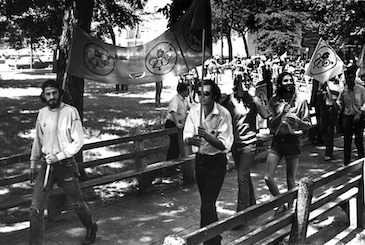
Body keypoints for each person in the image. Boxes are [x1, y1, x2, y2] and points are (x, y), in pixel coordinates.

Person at [29, 79, 97, 245]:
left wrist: (59, 156)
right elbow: (38, 140)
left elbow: (78, 141)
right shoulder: (42, 113)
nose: (52, 97)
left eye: (54, 93)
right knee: (35, 208)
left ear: (60, 93)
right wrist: (33, 161)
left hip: (65, 164)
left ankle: (90, 226)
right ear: (43, 96)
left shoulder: (70, 112)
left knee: (77, 204)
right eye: (48, 94)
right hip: (46, 165)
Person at [183, 79, 233, 245]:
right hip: (201, 160)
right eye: (199, 93)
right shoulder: (194, 112)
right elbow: (187, 135)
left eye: (206, 94)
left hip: (216, 162)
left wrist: (207, 136)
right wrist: (192, 140)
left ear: (214, 96)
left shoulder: (223, 114)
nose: (202, 97)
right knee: (207, 204)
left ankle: (210, 241)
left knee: (207, 204)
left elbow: (224, 144)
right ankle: (214, 236)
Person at [220, 74, 269, 228]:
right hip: (235, 144)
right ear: (236, 83)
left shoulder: (252, 100)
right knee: (245, 176)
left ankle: (241, 215)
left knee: (241, 177)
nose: (245, 85)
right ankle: (252, 204)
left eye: (248, 82)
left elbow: (266, 115)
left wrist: (255, 99)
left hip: (249, 144)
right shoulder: (228, 100)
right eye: (243, 81)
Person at [264, 72, 311, 215]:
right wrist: (281, 115)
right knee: (268, 177)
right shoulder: (274, 101)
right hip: (277, 141)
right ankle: (280, 203)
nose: (289, 83)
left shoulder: (300, 101)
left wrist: (298, 121)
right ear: (279, 84)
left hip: (292, 141)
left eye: (291, 80)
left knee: (291, 179)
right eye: (285, 81)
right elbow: (270, 125)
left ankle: (291, 211)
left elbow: (308, 125)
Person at [337, 65, 365, 165]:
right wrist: (338, 106)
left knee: (359, 140)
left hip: (359, 116)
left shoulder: (361, 89)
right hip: (347, 117)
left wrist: (360, 113)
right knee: (347, 141)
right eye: (348, 77)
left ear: (354, 78)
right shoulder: (343, 91)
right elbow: (339, 102)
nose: (350, 79)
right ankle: (347, 163)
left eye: (351, 77)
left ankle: (362, 161)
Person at [318, 75, 344, 161]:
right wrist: (322, 93)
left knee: (330, 130)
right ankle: (327, 144)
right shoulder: (324, 83)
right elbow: (319, 94)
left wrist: (337, 104)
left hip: (333, 109)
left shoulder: (339, 84)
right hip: (324, 107)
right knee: (322, 128)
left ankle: (328, 152)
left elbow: (341, 97)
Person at [165, 82, 191, 160]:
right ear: (182, 91)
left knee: (179, 143)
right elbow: (173, 111)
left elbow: (191, 108)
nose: (189, 92)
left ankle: (175, 161)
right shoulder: (175, 99)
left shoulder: (185, 100)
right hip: (172, 123)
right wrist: (177, 123)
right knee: (175, 143)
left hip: (179, 123)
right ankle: (170, 162)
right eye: (187, 90)